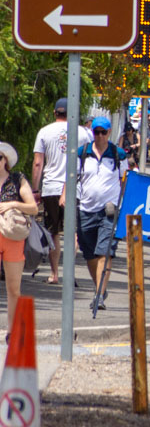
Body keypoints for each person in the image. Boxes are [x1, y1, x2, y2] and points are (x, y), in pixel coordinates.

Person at [32, 97, 92, 285]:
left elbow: (38, 162)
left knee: (53, 232)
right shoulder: (85, 133)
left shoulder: (45, 131)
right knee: (72, 232)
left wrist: (35, 189)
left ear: (54, 113)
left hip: (51, 187)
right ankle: (69, 272)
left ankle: (54, 274)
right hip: (76, 187)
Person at [72, 116, 127, 307]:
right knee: (90, 254)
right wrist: (65, 195)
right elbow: (71, 177)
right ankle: (101, 289)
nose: (100, 136)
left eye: (104, 132)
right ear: (92, 132)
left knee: (105, 252)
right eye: (97, 132)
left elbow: (125, 181)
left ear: (109, 132)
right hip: (86, 209)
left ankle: (98, 296)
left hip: (109, 211)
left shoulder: (118, 154)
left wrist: (123, 203)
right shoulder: (82, 153)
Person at [0, 142, 38, 338]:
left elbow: (33, 208)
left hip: (13, 236)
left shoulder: (17, 180)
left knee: (13, 287)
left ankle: (12, 330)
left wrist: (12, 204)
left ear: (5, 160)